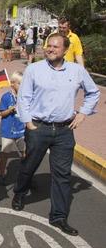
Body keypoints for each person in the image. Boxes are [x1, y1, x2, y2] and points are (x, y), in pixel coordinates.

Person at [11, 33, 100, 236]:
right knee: (29, 165)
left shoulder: (77, 71)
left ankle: (58, 216)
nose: (50, 49)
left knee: (62, 175)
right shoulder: (34, 69)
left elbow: (93, 92)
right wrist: (28, 122)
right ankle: (20, 192)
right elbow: (23, 98)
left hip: (64, 131)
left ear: (66, 50)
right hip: (38, 128)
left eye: (55, 46)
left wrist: (83, 113)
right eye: (48, 45)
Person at [0, 71, 25, 186]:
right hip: (8, 130)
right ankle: (2, 174)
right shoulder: (6, 97)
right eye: (20, 84)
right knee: (5, 154)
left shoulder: (25, 97)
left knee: (25, 154)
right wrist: (11, 109)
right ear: (13, 83)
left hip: (21, 130)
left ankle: (25, 175)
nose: (23, 86)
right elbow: (2, 114)